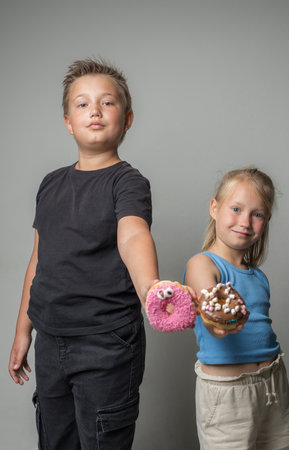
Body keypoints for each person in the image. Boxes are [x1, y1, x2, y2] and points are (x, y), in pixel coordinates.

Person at [8, 58, 160, 450]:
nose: (94, 110)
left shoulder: (127, 182)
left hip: (106, 343)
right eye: (82, 103)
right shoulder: (51, 184)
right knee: (55, 441)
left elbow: (132, 235)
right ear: (67, 121)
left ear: (126, 120)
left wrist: (151, 290)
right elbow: (40, 260)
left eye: (107, 103)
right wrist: (23, 330)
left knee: (101, 439)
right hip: (50, 339)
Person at [184, 168, 289, 450]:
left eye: (257, 214)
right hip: (227, 395)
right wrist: (220, 322)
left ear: (266, 221)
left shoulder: (258, 276)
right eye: (236, 209)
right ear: (215, 208)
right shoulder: (203, 264)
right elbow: (212, 313)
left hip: (274, 384)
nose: (245, 221)